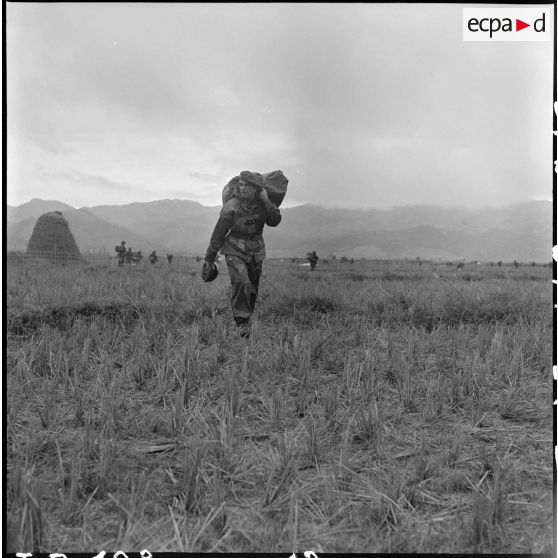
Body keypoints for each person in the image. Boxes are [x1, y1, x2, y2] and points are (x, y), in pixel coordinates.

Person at [204, 170, 281, 338]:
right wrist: (209, 258)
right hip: (234, 248)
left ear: (256, 189)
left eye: (247, 185)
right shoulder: (231, 207)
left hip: (256, 250)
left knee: (252, 287)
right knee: (242, 282)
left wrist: (266, 200)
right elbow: (218, 234)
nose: (243, 188)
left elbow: (274, 221)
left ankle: (247, 317)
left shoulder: (263, 203)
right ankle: (242, 322)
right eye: (241, 185)